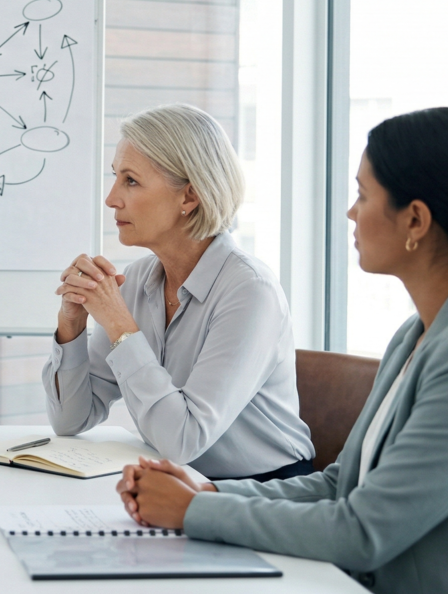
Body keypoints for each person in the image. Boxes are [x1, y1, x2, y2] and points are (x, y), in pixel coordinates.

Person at [117, 108, 448, 594]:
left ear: (415, 219)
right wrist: (207, 491)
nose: (352, 212)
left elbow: (361, 532)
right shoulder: (411, 336)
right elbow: (340, 484)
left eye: (362, 194)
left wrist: (194, 510)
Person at [45, 104, 315, 480]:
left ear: (189, 197)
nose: (111, 198)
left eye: (131, 181)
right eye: (115, 178)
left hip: (262, 494)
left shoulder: (251, 292)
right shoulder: (140, 280)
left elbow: (183, 440)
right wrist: (71, 324)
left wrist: (119, 324)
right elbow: (70, 419)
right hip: (178, 485)